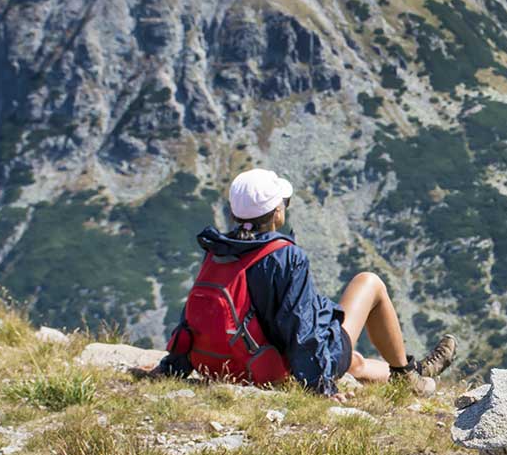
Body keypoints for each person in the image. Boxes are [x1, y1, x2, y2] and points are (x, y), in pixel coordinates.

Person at [152, 168, 455, 395]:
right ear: (278, 212)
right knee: (369, 282)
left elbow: (194, 317)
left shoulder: (216, 248)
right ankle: (406, 373)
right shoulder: (285, 255)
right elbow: (301, 329)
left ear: (233, 212)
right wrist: (320, 388)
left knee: (356, 362)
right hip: (268, 366)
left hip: (229, 360)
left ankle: (415, 374)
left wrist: (171, 368)